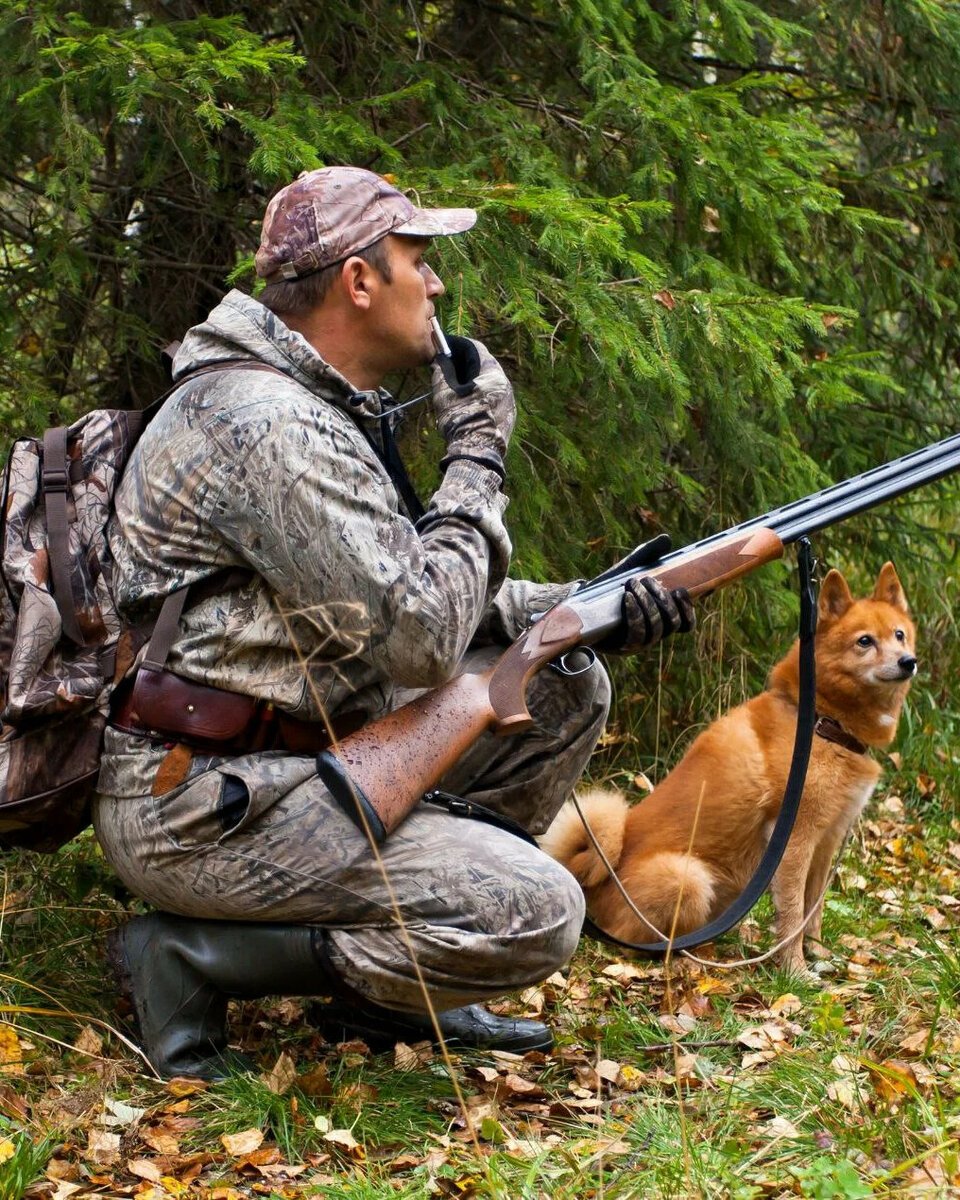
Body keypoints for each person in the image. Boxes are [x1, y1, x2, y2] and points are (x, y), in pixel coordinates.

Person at [94, 166, 694, 1080]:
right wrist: (477, 454)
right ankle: (188, 955)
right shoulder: (267, 427)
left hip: (298, 757)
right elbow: (421, 634)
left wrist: (596, 604)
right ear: (359, 281)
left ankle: (402, 988)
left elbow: (403, 597)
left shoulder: (310, 409)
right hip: (205, 803)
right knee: (535, 912)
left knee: (567, 684)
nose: (439, 283)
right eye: (420, 258)